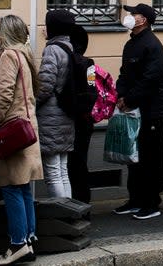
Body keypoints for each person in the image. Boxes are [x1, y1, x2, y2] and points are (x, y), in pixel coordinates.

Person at [0, 14, 43, 265]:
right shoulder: (25, 54)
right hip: (25, 129)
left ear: (4, 33)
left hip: (10, 132)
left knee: (11, 187)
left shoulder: (9, 56)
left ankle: (18, 244)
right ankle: (29, 239)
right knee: (23, 188)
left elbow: (3, 94)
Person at [114, 3, 163, 219]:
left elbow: (151, 79)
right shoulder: (132, 44)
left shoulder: (152, 46)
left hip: (151, 112)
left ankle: (151, 202)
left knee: (150, 158)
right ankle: (135, 199)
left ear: (143, 19)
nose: (128, 16)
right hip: (133, 110)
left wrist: (129, 98)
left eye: (133, 14)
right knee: (134, 158)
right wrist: (120, 95)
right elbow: (125, 74)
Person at [36, 9, 76, 198]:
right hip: (66, 115)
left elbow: (45, 85)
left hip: (51, 117)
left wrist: (31, 103)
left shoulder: (53, 49)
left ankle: (61, 213)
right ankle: (70, 211)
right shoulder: (69, 47)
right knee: (62, 169)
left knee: (52, 172)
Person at [67, 24, 95, 203]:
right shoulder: (88, 63)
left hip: (75, 119)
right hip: (85, 120)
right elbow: (92, 90)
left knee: (74, 165)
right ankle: (83, 202)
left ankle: (79, 202)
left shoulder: (74, 62)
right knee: (79, 163)